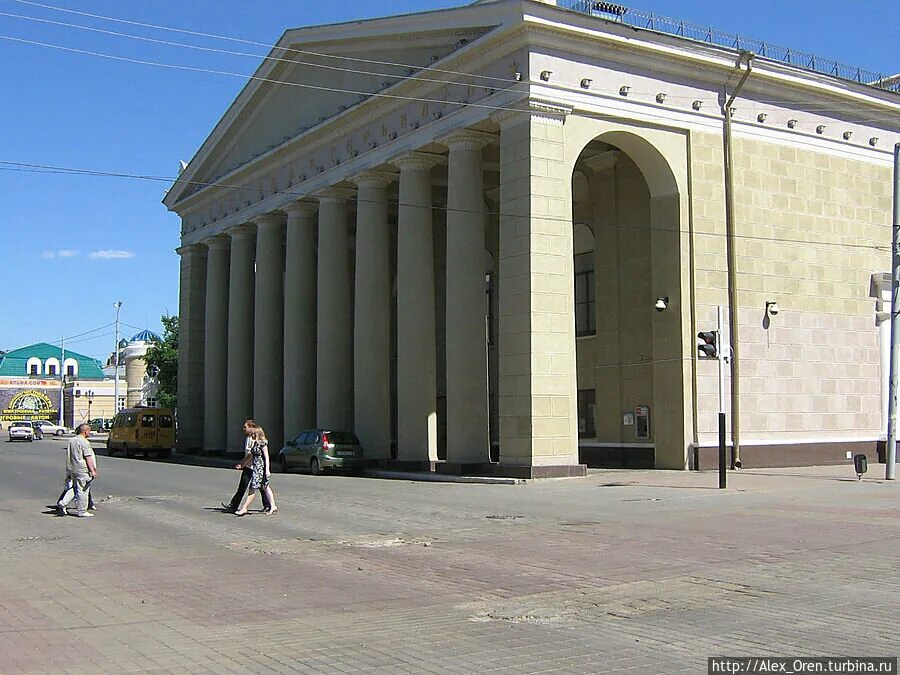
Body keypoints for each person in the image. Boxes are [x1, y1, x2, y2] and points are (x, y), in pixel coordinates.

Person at [221, 419, 271, 513]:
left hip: (255, 467)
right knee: (244, 487)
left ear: (251, 427)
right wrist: (243, 463)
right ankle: (234, 506)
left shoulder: (256, 438)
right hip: (249, 466)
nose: (243, 429)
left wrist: (243, 463)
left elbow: (252, 454)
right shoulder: (249, 438)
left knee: (260, 487)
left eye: (245, 427)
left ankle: (268, 505)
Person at [234, 426, 277, 516]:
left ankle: (244, 508)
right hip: (256, 468)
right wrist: (243, 465)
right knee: (265, 487)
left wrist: (267, 470)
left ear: (258, 434)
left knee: (252, 488)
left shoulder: (263, 443)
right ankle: (273, 506)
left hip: (261, 469)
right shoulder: (255, 443)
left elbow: (266, 457)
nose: (252, 435)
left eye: (253, 433)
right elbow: (251, 456)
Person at [57, 423, 98, 517]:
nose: (89, 433)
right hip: (82, 469)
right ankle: (82, 511)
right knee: (83, 490)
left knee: (75, 488)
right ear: (85, 431)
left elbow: (69, 455)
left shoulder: (72, 440)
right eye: (89, 431)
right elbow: (88, 457)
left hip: (72, 468)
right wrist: (92, 470)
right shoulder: (84, 442)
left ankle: (63, 502)